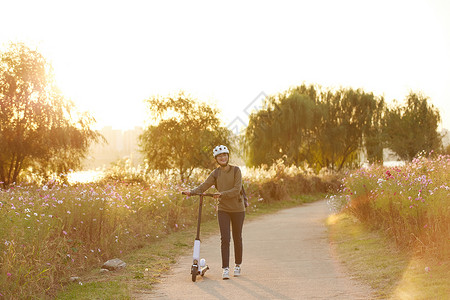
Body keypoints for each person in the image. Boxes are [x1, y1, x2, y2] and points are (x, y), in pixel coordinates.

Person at [183, 145, 246, 280]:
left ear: (228, 156)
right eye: (219, 156)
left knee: (237, 237)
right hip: (223, 209)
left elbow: (236, 190)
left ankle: (237, 265)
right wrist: (191, 192)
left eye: (224, 155)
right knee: (225, 239)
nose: (222, 158)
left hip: (238, 209)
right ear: (216, 159)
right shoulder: (216, 173)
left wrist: (221, 194)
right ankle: (225, 268)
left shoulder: (236, 171)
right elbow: (204, 186)